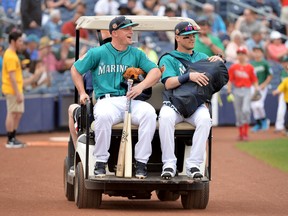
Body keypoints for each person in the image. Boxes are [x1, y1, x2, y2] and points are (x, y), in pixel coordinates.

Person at [70, 16, 162, 178]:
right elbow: (75, 69)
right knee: (103, 116)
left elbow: (155, 72)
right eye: (126, 29)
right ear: (114, 33)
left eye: (131, 29)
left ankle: (141, 163)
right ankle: (100, 162)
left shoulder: (136, 53)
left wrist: (141, 86)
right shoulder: (97, 53)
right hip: (107, 101)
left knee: (149, 113)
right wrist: (82, 92)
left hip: (131, 100)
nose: (131, 32)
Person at [158, 21, 224, 179]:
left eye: (193, 35)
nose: (192, 38)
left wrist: (218, 61)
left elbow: (216, 79)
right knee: (165, 118)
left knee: (205, 119)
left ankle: (194, 164)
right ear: (177, 38)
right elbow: (168, 83)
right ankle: (169, 164)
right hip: (174, 103)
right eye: (187, 36)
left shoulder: (202, 57)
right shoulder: (169, 58)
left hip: (195, 104)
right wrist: (189, 76)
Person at [227, 47, 259, 141]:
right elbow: (230, 80)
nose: (241, 55)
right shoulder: (234, 67)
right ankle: (241, 134)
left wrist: (256, 89)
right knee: (238, 113)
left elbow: (254, 80)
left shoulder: (250, 67)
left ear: (246, 55)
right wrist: (229, 91)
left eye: (242, 54)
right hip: (236, 90)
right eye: (239, 54)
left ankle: (245, 133)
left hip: (247, 90)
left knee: (246, 110)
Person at [1, 30, 25, 148]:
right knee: (12, 112)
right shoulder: (10, 55)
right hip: (11, 89)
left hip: (15, 89)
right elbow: (11, 77)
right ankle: (10, 139)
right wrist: (17, 93)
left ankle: (13, 137)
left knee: (18, 113)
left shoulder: (12, 54)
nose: (21, 43)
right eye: (19, 41)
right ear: (12, 41)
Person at [250, 46, 273, 132]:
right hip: (253, 86)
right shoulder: (251, 64)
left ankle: (264, 120)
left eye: (258, 51)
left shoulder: (265, 63)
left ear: (262, 53)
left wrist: (264, 84)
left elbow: (270, 75)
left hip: (262, 86)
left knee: (258, 105)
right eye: (255, 51)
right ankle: (258, 123)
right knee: (253, 106)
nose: (256, 53)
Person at [272, 62, 288, 136]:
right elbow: (280, 86)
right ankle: (280, 127)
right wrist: (277, 92)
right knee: (281, 111)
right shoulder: (283, 75)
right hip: (285, 96)